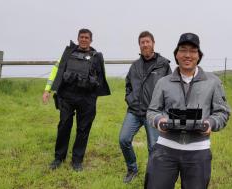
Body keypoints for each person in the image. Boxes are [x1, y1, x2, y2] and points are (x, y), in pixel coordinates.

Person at [145, 33, 231, 189]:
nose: (187, 55)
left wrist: (210, 123)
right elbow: (152, 111)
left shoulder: (213, 82)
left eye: (193, 51)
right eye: (183, 50)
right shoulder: (163, 82)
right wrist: (159, 121)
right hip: (165, 149)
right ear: (176, 55)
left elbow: (222, 112)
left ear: (199, 55)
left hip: (198, 151)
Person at [42, 28, 111, 171]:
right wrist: (47, 90)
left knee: (83, 129)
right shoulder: (69, 53)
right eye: (81, 37)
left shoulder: (96, 56)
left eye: (86, 37)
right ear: (78, 38)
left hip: (86, 98)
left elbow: (100, 79)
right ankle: (58, 158)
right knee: (64, 125)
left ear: (91, 40)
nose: (84, 39)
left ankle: (77, 161)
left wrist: (93, 95)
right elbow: (57, 70)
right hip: (67, 96)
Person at [119, 31, 172, 183]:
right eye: (142, 42)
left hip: (153, 114)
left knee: (153, 147)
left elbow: (170, 88)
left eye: (147, 41)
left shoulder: (163, 65)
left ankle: (153, 174)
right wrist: (130, 98)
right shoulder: (135, 65)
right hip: (134, 111)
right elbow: (128, 84)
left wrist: (164, 111)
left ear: (153, 43)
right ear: (139, 45)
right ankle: (132, 169)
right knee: (123, 139)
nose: (145, 44)